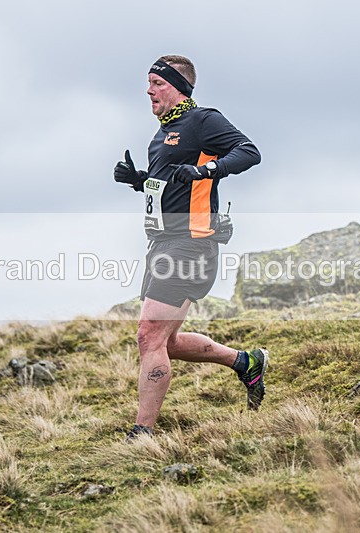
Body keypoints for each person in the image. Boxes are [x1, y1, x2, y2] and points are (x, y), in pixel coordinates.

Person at [113, 55, 266, 440]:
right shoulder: (161, 134)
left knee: (149, 335)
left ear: (178, 85)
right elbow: (173, 185)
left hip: (191, 242)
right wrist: (140, 180)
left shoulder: (202, 120)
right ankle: (246, 362)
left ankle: (142, 433)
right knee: (168, 341)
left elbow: (249, 151)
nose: (149, 90)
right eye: (147, 83)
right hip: (162, 242)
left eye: (156, 83)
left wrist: (208, 170)